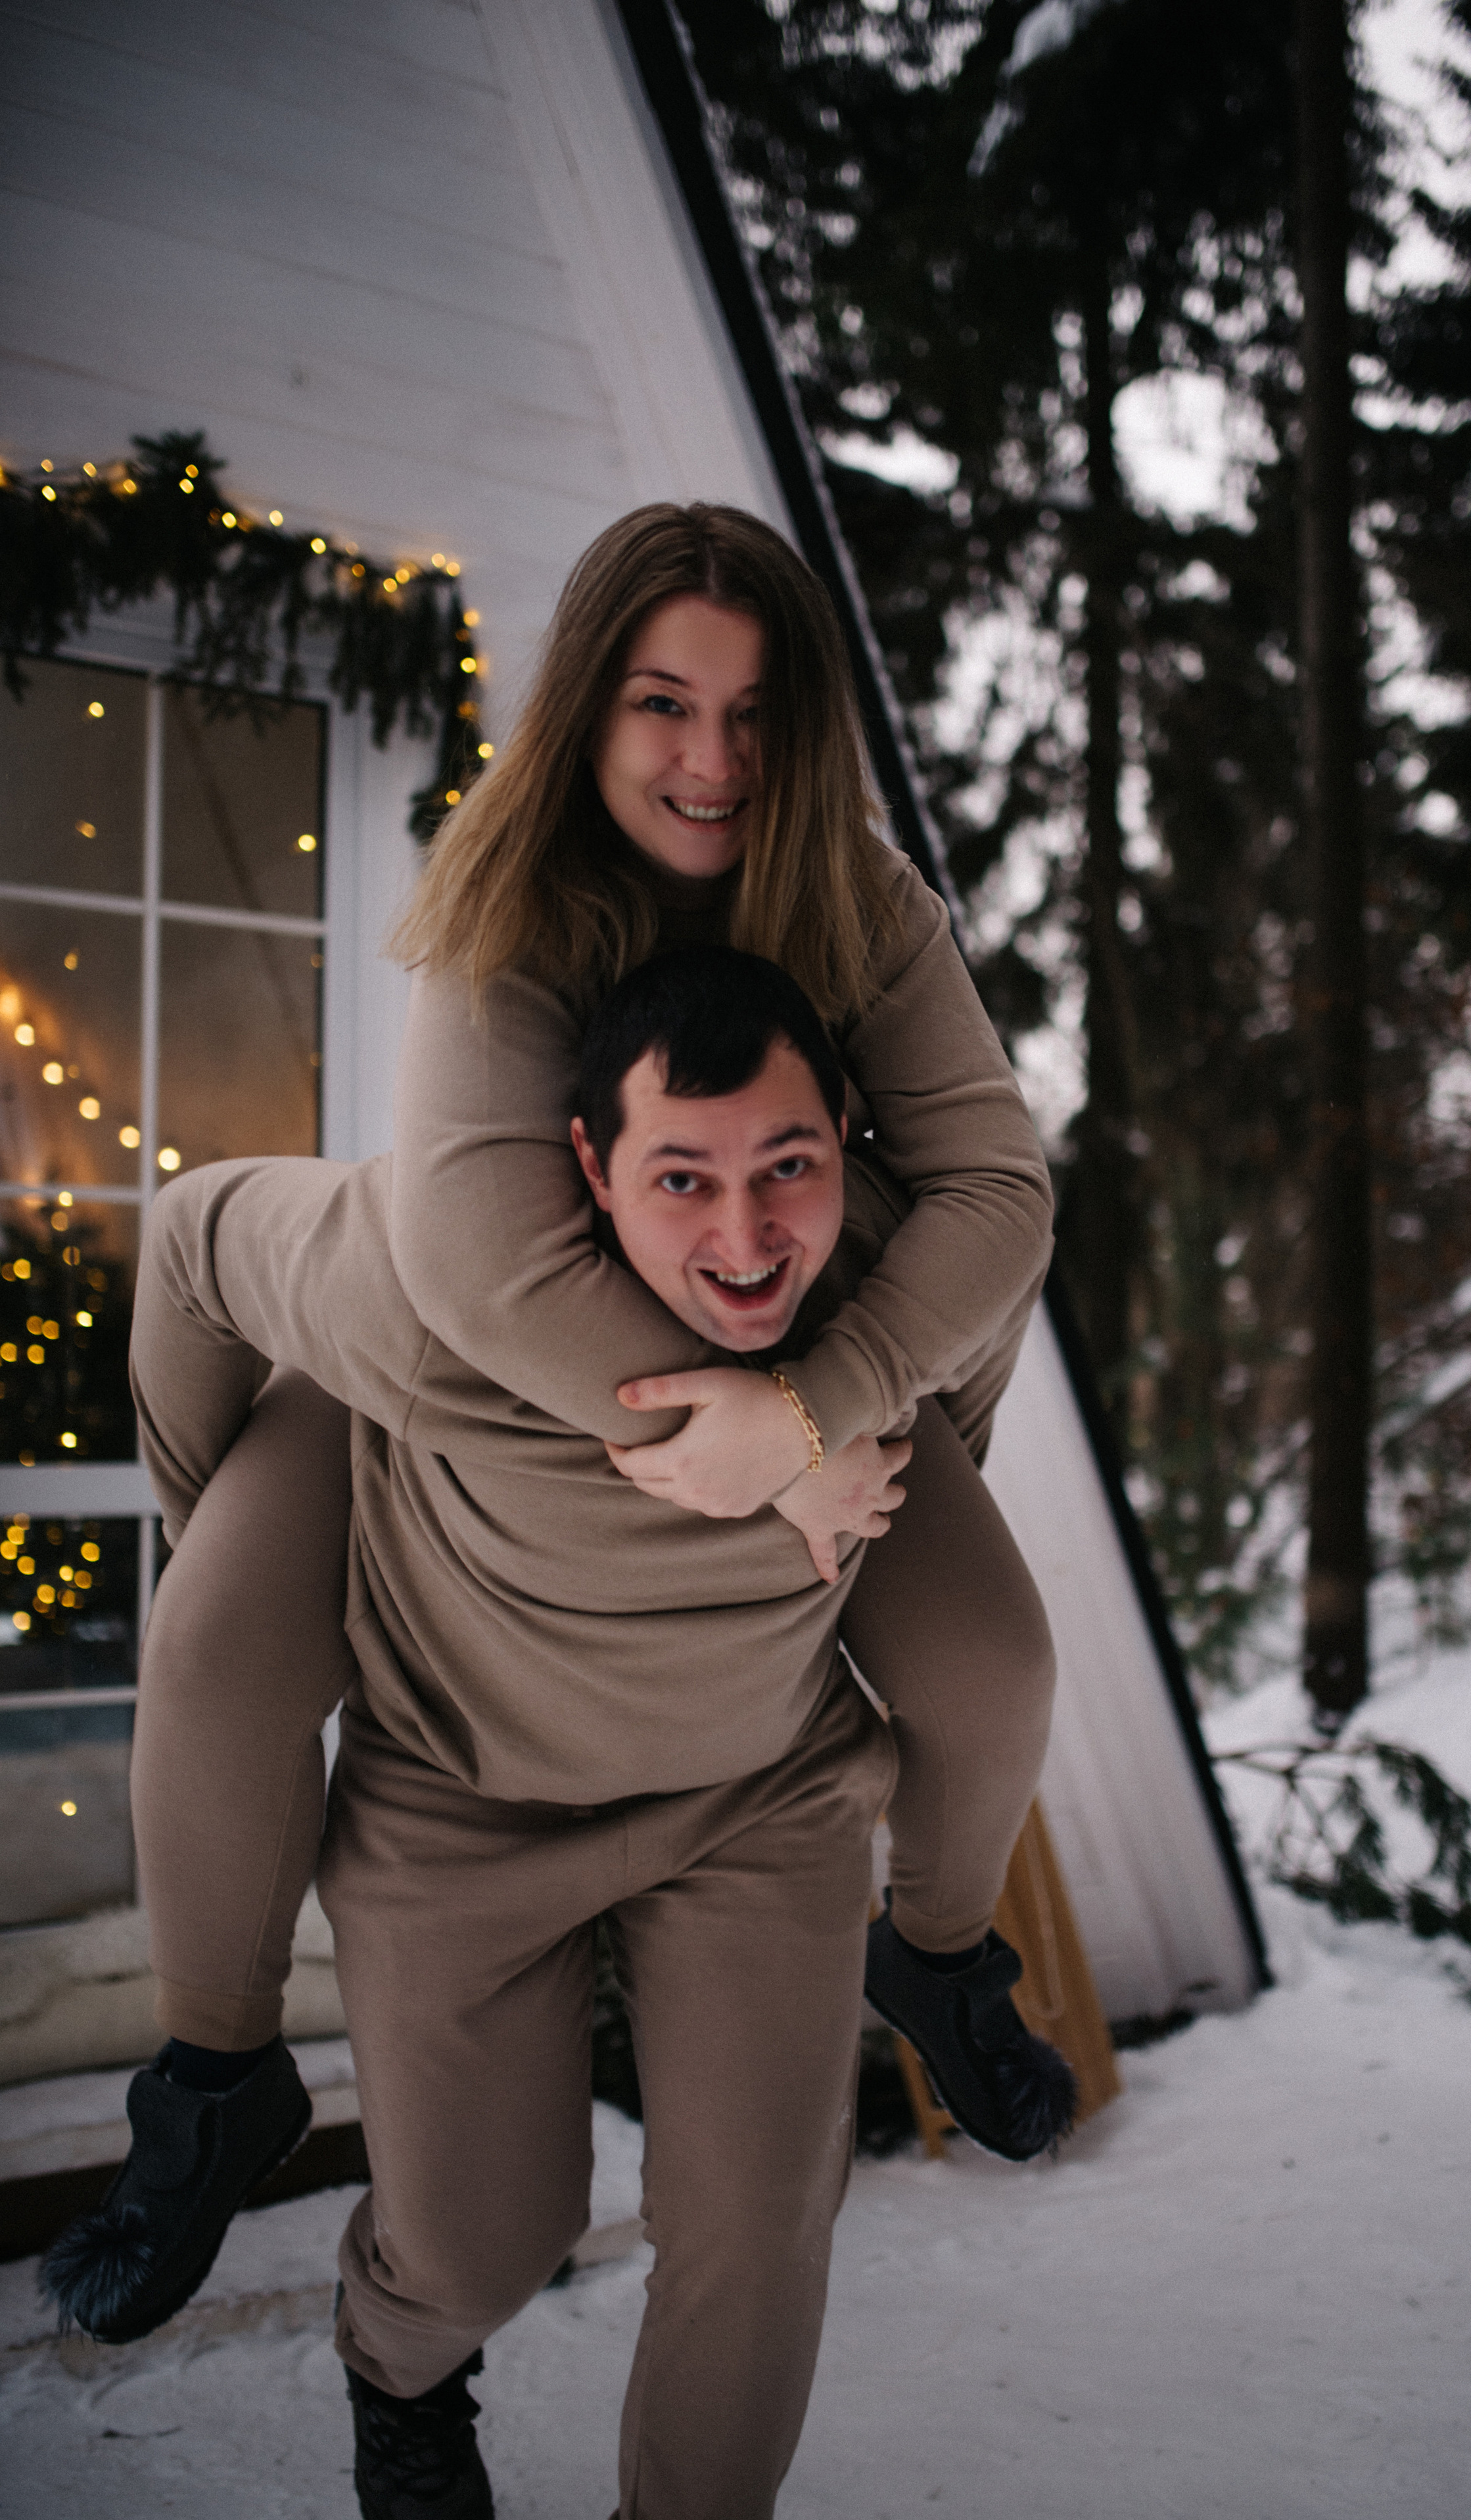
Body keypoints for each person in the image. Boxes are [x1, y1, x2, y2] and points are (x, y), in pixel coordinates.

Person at [45, 502, 1064, 2329]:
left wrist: (831, 1414)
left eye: (755, 715)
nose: (711, 761)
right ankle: (211, 2081)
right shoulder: (511, 881)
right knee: (211, 1644)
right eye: (665, 703)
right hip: (419, 1338)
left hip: (770, 1352)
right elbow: (481, 1268)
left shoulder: (863, 895)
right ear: (588, 705)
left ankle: (941, 1960)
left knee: (993, 1663)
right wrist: (773, 1465)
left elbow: (997, 1194)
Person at [57, 949, 1071, 2520]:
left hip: (760, 1801)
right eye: (682, 1178)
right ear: (585, 1168)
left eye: (788, 1167)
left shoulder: (881, 1275)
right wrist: (247, 1538)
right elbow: (189, 1240)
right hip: (462, 1803)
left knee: (757, 2234)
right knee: (480, 2239)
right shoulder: (417, 1281)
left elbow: (976, 1328)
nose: (744, 1239)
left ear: (848, 1136)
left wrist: (854, 1427)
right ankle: (398, 2376)